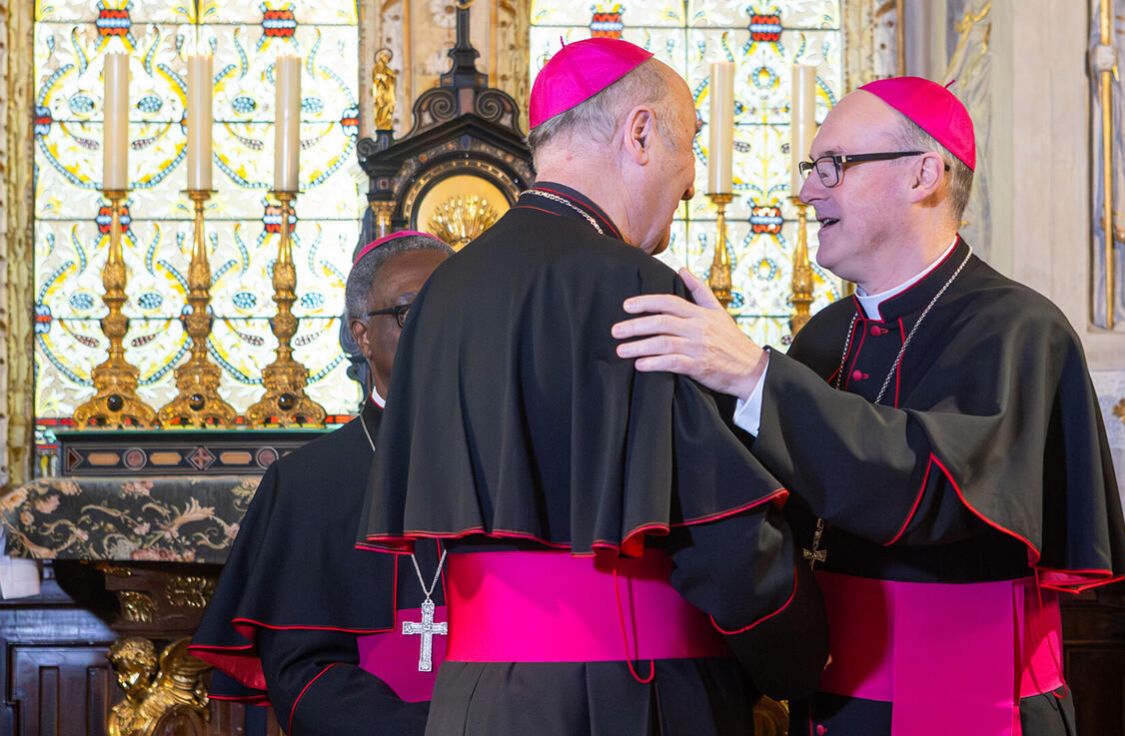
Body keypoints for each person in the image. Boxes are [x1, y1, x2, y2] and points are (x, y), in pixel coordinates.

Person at [613, 76, 1125, 735]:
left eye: (834, 165)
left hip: (966, 702)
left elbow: (937, 491)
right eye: (810, 168)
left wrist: (752, 376)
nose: (806, 190)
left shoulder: (1018, 330)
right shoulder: (826, 335)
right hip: (826, 703)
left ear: (923, 175)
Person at [359, 38, 828, 736]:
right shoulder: (633, 287)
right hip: (626, 695)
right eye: (689, 145)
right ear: (639, 133)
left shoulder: (440, 294)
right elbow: (722, 538)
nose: (692, 181)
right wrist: (798, 655)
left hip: (474, 704)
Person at [191, 231, 453, 735]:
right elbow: (300, 670)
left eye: (454, 306)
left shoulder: (513, 461)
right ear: (362, 335)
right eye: (408, 312)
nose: (436, 327)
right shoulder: (306, 483)